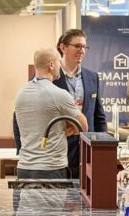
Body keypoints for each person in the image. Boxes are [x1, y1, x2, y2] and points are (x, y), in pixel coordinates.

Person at [14, 48, 87, 179]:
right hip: (51, 170)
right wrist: (69, 128)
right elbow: (83, 126)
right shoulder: (59, 94)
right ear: (51, 65)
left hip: (24, 168)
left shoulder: (20, 93)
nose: (60, 66)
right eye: (59, 62)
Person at [53, 28, 108, 177]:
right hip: (57, 152)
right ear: (63, 47)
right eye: (77, 46)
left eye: (84, 47)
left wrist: (102, 148)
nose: (82, 51)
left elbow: (99, 116)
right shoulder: (50, 77)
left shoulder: (92, 77)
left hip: (86, 152)